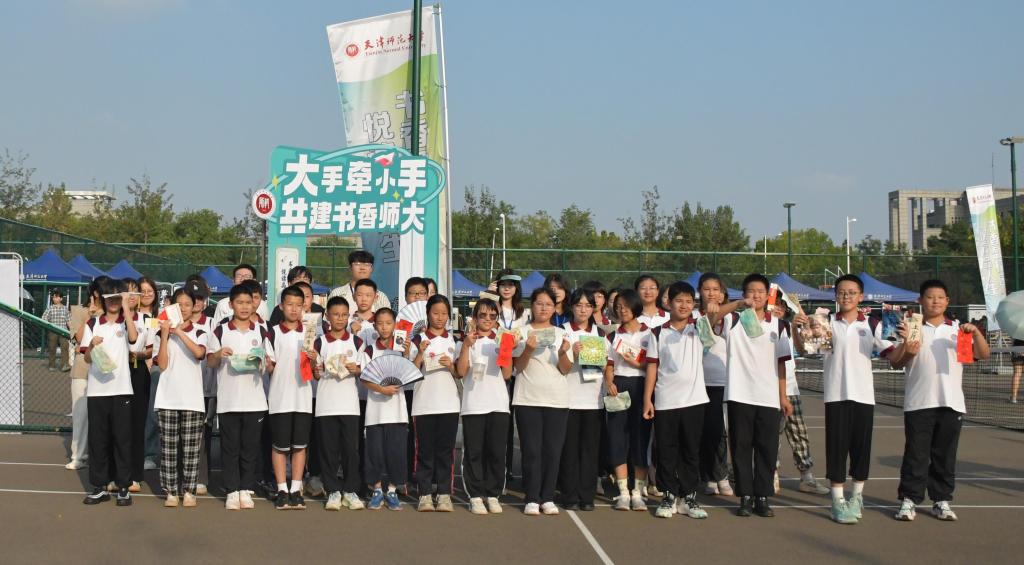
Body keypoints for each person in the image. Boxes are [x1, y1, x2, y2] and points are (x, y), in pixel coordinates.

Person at [793, 275, 893, 524]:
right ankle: (837, 500)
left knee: (861, 449)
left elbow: (891, 351)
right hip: (836, 395)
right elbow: (807, 350)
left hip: (863, 396)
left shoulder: (872, 323)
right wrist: (798, 329)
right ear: (835, 295)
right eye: (841, 292)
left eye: (851, 292)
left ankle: (856, 496)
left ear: (861, 296)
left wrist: (910, 342)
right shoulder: (825, 322)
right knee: (836, 449)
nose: (846, 296)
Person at [889, 279, 990, 522]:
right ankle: (909, 500)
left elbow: (982, 354)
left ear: (947, 301)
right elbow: (895, 362)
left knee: (945, 455)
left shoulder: (958, 329)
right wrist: (907, 345)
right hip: (919, 402)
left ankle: (941, 500)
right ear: (920, 300)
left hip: (951, 402)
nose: (935, 301)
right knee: (916, 454)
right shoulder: (911, 327)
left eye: (940, 297)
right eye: (930, 297)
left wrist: (976, 333)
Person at [718, 274, 793, 518]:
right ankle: (745, 496)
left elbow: (781, 364)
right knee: (740, 447)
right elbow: (712, 317)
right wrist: (739, 304)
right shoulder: (733, 320)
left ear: (767, 295)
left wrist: (783, 396)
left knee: (767, 448)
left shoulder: (779, 325)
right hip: (739, 394)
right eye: (751, 291)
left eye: (760, 291)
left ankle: (762, 496)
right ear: (744, 294)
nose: (756, 295)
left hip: (768, 397)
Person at [643, 281, 709, 519]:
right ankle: (668, 495)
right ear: (668, 303)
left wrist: (740, 303)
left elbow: (717, 315)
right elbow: (652, 367)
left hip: (695, 401)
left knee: (691, 450)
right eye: (679, 300)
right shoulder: (657, 333)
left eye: (689, 301)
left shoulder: (700, 327)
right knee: (666, 450)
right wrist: (647, 400)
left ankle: (688, 497)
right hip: (666, 401)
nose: (684, 305)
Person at [207, 283, 271, 510]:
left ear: (255, 304)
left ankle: (246, 488)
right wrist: (218, 353)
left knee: (250, 448)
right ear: (231, 304)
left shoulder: (262, 331)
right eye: (239, 302)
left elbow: (270, 363)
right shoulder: (220, 330)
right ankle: (232, 490)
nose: (244, 307)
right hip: (228, 400)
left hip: (255, 400)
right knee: (230, 447)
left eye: (248, 302)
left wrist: (264, 362)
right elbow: (210, 362)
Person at [512, 288, 573, 515]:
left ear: (555, 307)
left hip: (557, 400)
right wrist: (528, 350)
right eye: (539, 303)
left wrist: (564, 352)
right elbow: (518, 368)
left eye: (548, 304)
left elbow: (565, 369)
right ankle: (531, 497)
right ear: (532, 306)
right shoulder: (520, 332)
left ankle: (547, 497)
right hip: (527, 398)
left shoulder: (562, 333)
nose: (544, 308)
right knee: (531, 450)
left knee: (552, 451)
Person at [80, 278, 138, 507]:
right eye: (109, 297)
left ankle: (123, 487)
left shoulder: (127, 322)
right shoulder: (93, 324)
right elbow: (86, 358)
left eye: (117, 297)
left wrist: (126, 307)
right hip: (97, 391)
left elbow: (133, 338)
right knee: (98, 440)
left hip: (121, 390)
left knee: (122, 440)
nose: (113, 302)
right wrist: (92, 345)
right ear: (102, 299)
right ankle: (99, 487)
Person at [456, 298, 512, 515]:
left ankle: (493, 494)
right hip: (474, 404)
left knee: (496, 452)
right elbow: (461, 372)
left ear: (497, 319)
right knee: (474, 452)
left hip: (498, 404)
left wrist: (505, 352)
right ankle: (476, 495)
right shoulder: (467, 342)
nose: (487, 319)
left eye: (492, 316)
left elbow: (507, 374)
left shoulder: (502, 340)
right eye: (483, 315)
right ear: (474, 318)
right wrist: (466, 346)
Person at [153, 288, 208, 508]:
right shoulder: (161, 333)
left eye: (187, 304)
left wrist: (179, 332)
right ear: (172, 306)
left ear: (194, 306)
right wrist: (166, 334)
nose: (183, 308)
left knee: (191, 449)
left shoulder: (200, 331)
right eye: (179, 304)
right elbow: (162, 364)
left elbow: (199, 353)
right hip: (167, 398)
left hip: (192, 399)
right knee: (168, 448)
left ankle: (189, 490)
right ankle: (171, 491)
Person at [311, 296, 366, 511]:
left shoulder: (357, 342)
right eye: (336, 314)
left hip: (350, 405)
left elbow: (363, 371)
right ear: (327, 316)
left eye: (344, 315)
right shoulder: (319, 342)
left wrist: (356, 370)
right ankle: (332, 490)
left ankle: (350, 491)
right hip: (326, 404)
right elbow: (316, 374)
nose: (340, 319)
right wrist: (316, 368)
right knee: (328, 450)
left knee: (351, 450)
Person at [265, 284, 315, 510]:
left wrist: (314, 359)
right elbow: (270, 366)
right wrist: (265, 364)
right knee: (279, 446)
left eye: (298, 305)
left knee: (300, 446)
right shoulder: (273, 332)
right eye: (289, 304)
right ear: (281, 306)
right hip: (279, 398)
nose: (294, 309)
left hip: (303, 398)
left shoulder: (310, 333)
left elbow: (315, 369)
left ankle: (296, 488)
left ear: (304, 307)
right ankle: (281, 489)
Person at [772, 299, 829, 497]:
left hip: (790, 388)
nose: (777, 309)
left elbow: (806, 349)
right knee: (771, 435)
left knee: (798, 433)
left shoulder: (790, 327)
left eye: (781, 306)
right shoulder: (759, 326)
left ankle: (807, 476)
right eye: (774, 305)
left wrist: (799, 326)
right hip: (767, 390)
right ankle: (772, 473)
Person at [410, 295, 461, 512]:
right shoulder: (418, 340)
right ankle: (424, 494)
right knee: (424, 451)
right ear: (428, 314)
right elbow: (410, 372)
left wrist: (451, 366)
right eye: (435, 313)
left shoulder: (455, 341)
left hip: (449, 404)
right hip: (424, 404)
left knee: (445, 451)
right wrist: (421, 353)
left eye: (444, 313)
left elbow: (460, 373)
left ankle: (444, 493)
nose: (440, 317)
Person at [604, 288, 653, 511]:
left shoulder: (650, 334)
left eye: (625, 306)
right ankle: (623, 492)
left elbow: (653, 366)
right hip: (619, 388)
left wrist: (636, 363)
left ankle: (638, 492)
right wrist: (609, 382)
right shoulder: (613, 336)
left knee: (641, 439)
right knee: (617, 438)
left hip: (642, 387)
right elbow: (609, 365)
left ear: (635, 306)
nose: (622, 310)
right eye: (618, 307)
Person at [558, 288, 607, 511]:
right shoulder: (563, 332)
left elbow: (609, 365)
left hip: (593, 400)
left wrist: (604, 364)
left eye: (588, 305)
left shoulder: (600, 334)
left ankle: (587, 497)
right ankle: (569, 495)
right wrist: (573, 354)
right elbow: (560, 367)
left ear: (593, 309)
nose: (583, 310)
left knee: (590, 451)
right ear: (572, 307)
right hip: (568, 400)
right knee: (569, 451)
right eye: (579, 305)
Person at [361, 308, 409, 511]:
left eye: (388, 323)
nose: (384, 327)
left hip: (397, 412)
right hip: (375, 412)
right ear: (374, 326)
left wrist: (407, 353)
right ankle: (377, 489)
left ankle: (392, 490)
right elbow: (365, 378)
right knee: (374, 452)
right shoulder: (369, 350)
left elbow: (408, 374)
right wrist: (382, 389)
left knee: (396, 452)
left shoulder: (401, 348)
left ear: (395, 325)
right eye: (380, 323)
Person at [696, 273, 734, 496]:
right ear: (700, 291)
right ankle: (709, 476)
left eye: (715, 289)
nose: (711, 293)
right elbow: (704, 331)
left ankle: (721, 475)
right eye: (706, 289)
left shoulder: (733, 319)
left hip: (724, 383)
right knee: (704, 432)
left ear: (722, 293)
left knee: (721, 432)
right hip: (699, 383)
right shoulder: (694, 316)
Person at [66, 280, 105, 471]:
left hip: (106, 369)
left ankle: (101, 456)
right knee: (81, 414)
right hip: (83, 367)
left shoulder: (114, 314)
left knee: (104, 416)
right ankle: (79, 455)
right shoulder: (79, 311)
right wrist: (91, 315)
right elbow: (80, 338)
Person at [123, 278, 155, 494]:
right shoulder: (115, 319)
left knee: (136, 425)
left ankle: (135, 475)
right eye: (127, 292)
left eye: (135, 292)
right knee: (119, 426)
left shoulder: (148, 319)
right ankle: (117, 473)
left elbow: (151, 349)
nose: (132, 296)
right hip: (117, 373)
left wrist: (139, 354)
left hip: (138, 371)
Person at [138, 277, 162, 472]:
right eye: (142, 291)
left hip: (154, 369)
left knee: (151, 414)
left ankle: (150, 453)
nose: (146, 294)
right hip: (134, 367)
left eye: (150, 291)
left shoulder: (160, 315)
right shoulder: (130, 315)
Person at [42, 289, 71, 371]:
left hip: (63, 331)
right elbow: (44, 318)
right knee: (52, 348)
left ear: (61, 298)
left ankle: (65, 365)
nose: (54, 298)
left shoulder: (65, 309)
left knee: (65, 348)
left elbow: (69, 321)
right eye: (53, 297)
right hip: (52, 331)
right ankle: (52, 365)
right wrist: (48, 325)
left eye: (56, 297)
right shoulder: (50, 308)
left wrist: (71, 331)